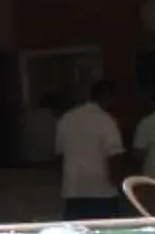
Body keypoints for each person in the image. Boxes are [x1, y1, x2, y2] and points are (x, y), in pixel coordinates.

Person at [55, 80, 128, 221]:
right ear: (109, 98)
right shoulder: (106, 121)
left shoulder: (67, 118)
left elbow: (60, 155)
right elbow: (114, 156)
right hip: (101, 191)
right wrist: (117, 183)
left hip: (73, 191)